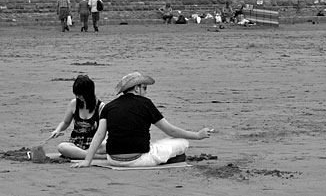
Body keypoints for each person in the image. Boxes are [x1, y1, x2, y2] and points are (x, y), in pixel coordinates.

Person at [72, 72, 212, 168]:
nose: (146, 91)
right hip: (138, 159)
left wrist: (87, 161)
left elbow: (99, 134)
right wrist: (197, 135)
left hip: (113, 159)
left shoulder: (108, 106)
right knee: (182, 143)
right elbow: (170, 130)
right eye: (144, 88)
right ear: (137, 88)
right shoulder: (146, 104)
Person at [51, 75, 106, 159]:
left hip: (95, 144)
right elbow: (65, 122)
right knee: (62, 147)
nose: (78, 97)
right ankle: (96, 156)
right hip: (76, 144)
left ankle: (82, 154)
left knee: (110, 145)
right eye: (76, 94)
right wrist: (58, 130)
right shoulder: (74, 104)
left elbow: (104, 131)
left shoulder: (101, 107)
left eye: (81, 95)